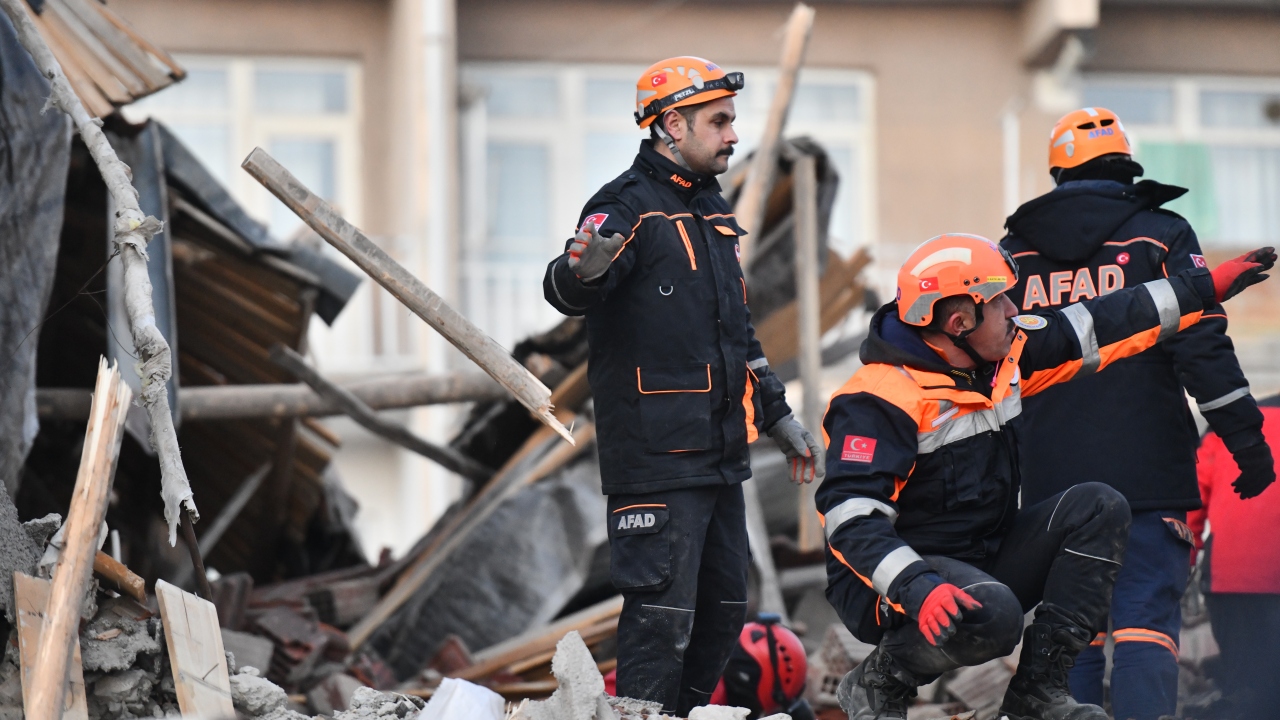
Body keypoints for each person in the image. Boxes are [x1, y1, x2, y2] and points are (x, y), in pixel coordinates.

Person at [817, 233, 1273, 720]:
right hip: (895, 584)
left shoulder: (999, 355)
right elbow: (850, 517)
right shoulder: (877, 399)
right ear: (959, 321)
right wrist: (917, 586)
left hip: (978, 554)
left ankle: (1037, 690)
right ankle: (880, 680)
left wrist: (1201, 289)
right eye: (1001, 302)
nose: (1015, 310)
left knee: (1099, 506)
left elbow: (1098, 322)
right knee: (994, 616)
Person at [542, 56, 825, 715]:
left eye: (732, 121)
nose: (733, 135)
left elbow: (740, 333)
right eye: (719, 121)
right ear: (671, 124)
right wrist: (580, 273)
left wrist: (778, 415)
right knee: (661, 617)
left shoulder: (708, 207)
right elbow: (568, 287)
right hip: (655, 459)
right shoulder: (625, 207)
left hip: (720, 457)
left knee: (725, 611)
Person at [998, 106, 1277, 720]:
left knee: (1075, 628)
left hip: (1050, 481)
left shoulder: (1011, 256)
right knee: (1146, 622)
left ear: (1057, 172)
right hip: (1148, 471)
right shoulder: (1162, 234)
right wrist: (1247, 446)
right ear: (1127, 166)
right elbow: (1202, 346)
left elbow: (996, 370)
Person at [1190, 394, 1280, 719]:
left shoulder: (1223, 428)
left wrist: (1183, 563)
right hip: (1259, 572)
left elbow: (1191, 502)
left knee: (1247, 689)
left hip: (1233, 577)